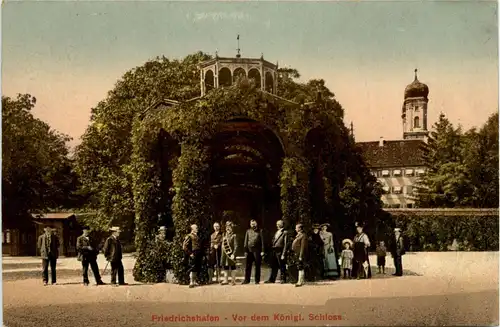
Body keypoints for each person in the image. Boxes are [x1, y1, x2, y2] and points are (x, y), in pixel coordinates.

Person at [265, 220, 288, 284]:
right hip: (274, 250)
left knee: (282, 266)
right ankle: (272, 279)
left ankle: (283, 279)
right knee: (274, 265)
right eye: (277, 224)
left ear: (282, 224)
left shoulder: (285, 232)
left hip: (280, 250)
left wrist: (283, 253)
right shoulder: (277, 231)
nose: (277, 225)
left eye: (278, 224)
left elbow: (285, 244)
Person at [243, 219, 265, 285]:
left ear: (256, 224)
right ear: (250, 224)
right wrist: (245, 251)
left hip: (257, 251)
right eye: (252, 224)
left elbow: (262, 242)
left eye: (254, 224)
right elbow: (245, 242)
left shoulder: (260, 231)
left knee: (257, 266)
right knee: (248, 266)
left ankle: (257, 280)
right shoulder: (248, 231)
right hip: (249, 251)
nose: (253, 225)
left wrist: (263, 251)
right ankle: (247, 280)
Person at [220, 221, 238, 285]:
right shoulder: (223, 235)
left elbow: (236, 246)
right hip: (224, 254)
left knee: (233, 267)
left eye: (229, 227)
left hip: (231, 254)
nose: (228, 228)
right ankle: (226, 280)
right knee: (225, 267)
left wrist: (234, 254)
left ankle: (233, 281)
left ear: (232, 228)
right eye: (227, 227)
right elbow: (221, 244)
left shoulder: (234, 235)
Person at [291, 223, 308, 287]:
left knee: (300, 267)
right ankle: (301, 280)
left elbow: (303, 246)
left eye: (297, 228)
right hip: (297, 253)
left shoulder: (303, 235)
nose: (295, 229)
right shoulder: (299, 235)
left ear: (300, 228)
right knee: (299, 267)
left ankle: (300, 281)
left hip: (299, 254)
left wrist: (301, 255)